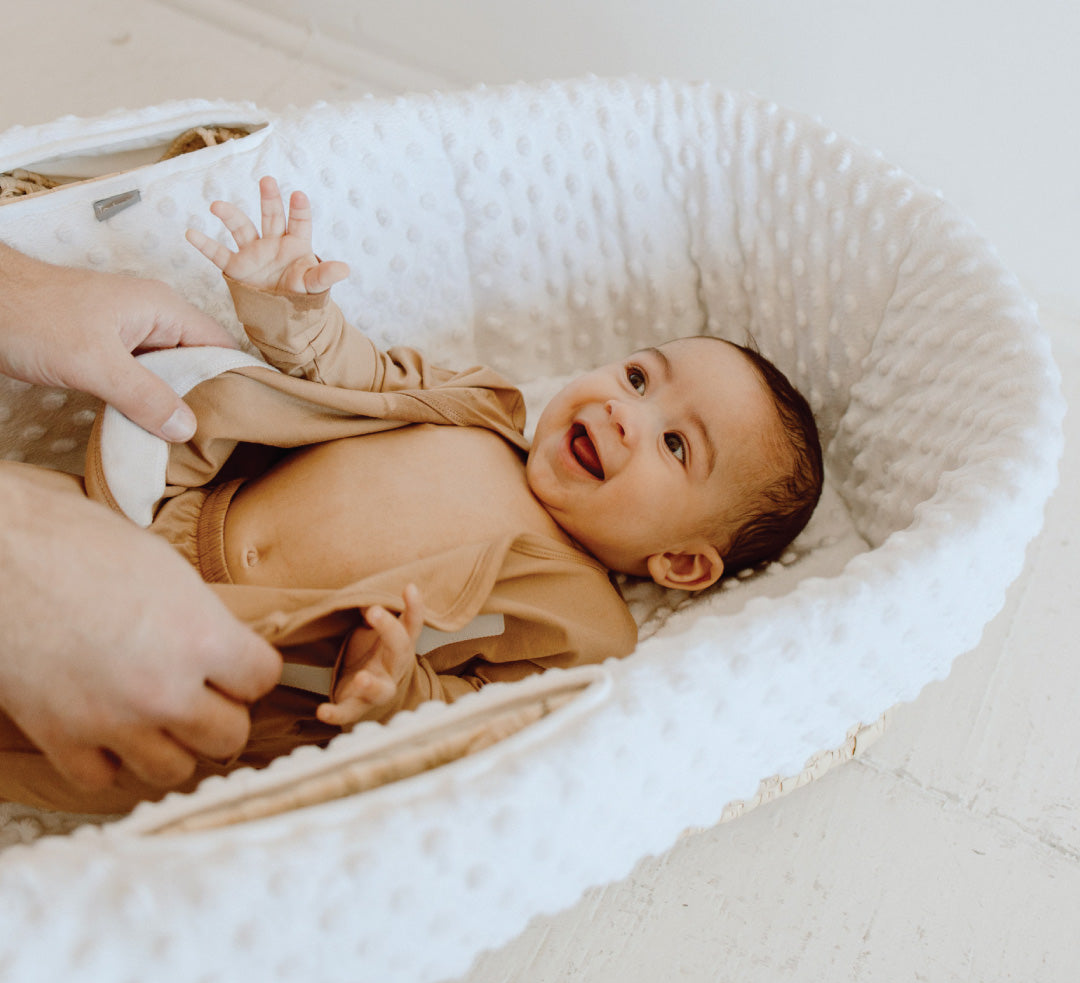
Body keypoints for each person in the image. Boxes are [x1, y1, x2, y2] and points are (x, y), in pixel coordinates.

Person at [0, 177, 823, 813]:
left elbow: (473, 723)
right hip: (149, 520)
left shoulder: (585, 624)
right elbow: (347, 373)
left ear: (680, 560)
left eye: (676, 444)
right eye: (641, 375)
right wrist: (288, 305)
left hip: (234, 670)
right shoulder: (482, 405)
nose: (624, 410)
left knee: (48, 736)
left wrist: (391, 690)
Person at [0, 241, 282, 801]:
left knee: (142, 758)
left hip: (250, 663)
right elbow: (371, 385)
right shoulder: (486, 415)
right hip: (156, 506)